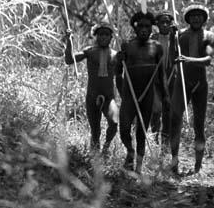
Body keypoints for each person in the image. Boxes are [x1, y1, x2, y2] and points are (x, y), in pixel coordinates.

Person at [116, 10, 168, 173]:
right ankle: (130, 152)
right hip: (130, 94)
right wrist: (119, 60)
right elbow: (118, 71)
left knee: (141, 132)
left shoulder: (157, 47)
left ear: (152, 28)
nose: (144, 29)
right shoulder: (127, 46)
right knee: (124, 129)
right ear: (135, 28)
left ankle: (137, 167)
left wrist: (165, 95)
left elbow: (162, 73)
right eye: (141, 26)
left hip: (147, 95)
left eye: (148, 26)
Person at [170, 3, 214, 176]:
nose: (196, 18)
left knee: (199, 124)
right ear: (188, 18)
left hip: (200, 84)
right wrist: (173, 36)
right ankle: (174, 161)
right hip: (181, 82)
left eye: (199, 15)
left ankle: (198, 166)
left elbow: (208, 59)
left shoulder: (209, 35)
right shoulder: (180, 34)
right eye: (193, 15)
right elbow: (174, 56)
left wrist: (188, 59)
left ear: (204, 18)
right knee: (175, 120)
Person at [64, 20, 119, 154]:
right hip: (92, 96)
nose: (103, 37)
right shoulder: (90, 52)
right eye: (100, 34)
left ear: (111, 37)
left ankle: (106, 147)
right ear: (96, 36)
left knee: (114, 122)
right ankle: (94, 161)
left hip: (109, 97)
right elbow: (69, 60)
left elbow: (126, 72)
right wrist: (69, 41)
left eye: (106, 34)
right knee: (95, 131)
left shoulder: (116, 55)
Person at [151, 10, 175, 144]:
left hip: (171, 78)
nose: (165, 25)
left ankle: (166, 142)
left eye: (168, 22)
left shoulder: (176, 37)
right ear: (157, 24)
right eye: (162, 22)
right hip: (156, 79)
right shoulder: (153, 38)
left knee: (168, 111)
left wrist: (176, 33)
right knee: (156, 111)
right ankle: (154, 139)